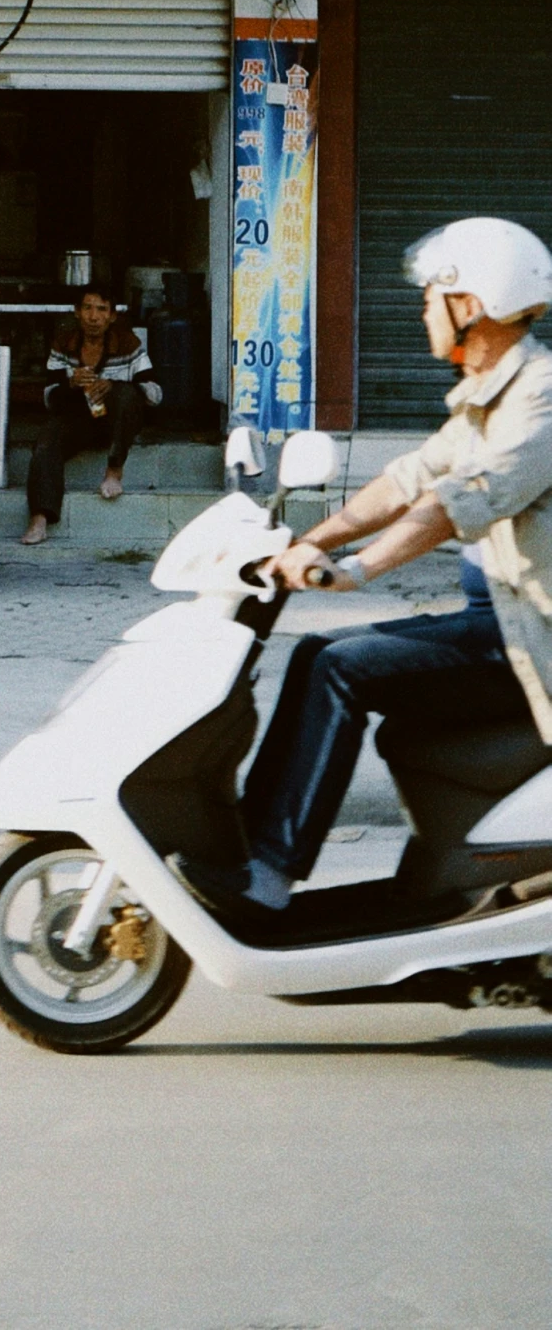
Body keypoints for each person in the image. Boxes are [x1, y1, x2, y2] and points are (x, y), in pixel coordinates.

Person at [179, 217, 552, 921]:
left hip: (532, 640)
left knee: (337, 667)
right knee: (320, 651)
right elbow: (406, 478)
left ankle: (268, 871)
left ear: (469, 305)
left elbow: (454, 502)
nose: (419, 313)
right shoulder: (487, 393)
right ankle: (253, 851)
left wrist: (355, 570)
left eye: (428, 299)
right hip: (498, 626)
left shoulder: (539, 395)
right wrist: (300, 541)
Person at [22, 289, 161, 544]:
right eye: (87, 308)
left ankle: (113, 471)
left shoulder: (128, 343)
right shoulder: (63, 344)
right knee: (47, 438)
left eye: (101, 309)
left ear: (112, 316)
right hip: (79, 422)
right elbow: (49, 399)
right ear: (77, 312)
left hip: (117, 426)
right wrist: (70, 384)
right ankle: (39, 519)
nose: (93, 316)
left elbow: (155, 394)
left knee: (126, 395)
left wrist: (115, 386)